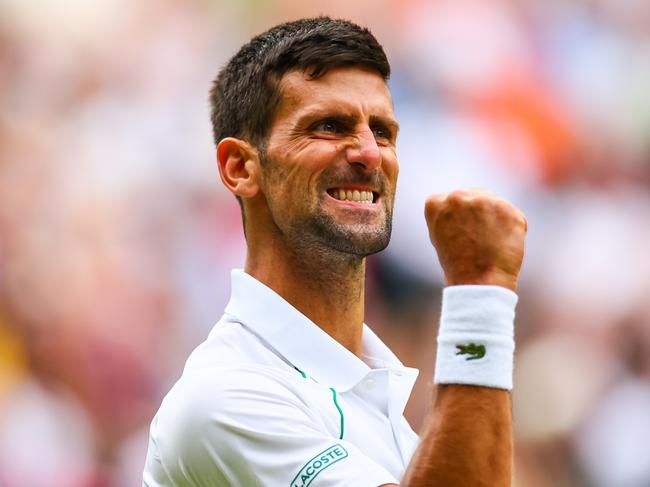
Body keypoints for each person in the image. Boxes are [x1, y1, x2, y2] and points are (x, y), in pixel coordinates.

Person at [143, 16, 527, 487]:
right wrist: (479, 289)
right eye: (329, 126)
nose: (370, 153)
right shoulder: (224, 396)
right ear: (240, 167)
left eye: (383, 131)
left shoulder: (375, 393)